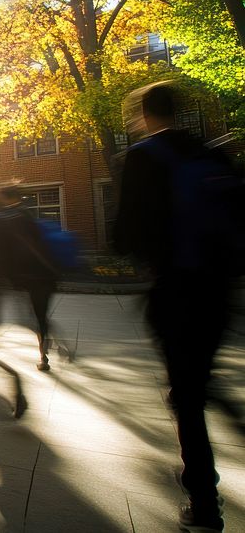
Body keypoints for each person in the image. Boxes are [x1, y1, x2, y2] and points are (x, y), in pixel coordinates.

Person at [114, 81, 241, 532]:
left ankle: (204, 501)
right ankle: (221, 409)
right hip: (219, 290)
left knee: (187, 395)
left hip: (177, 290)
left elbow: (124, 234)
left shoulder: (145, 156)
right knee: (200, 380)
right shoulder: (214, 153)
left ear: (145, 113)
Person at [0, 184, 59, 371]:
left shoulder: (9, 217)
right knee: (39, 315)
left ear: (6, 198)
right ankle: (44, 354)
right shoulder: (28, 214)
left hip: (26, 274)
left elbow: (5, 249)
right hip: (44, 272)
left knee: (29, 314)